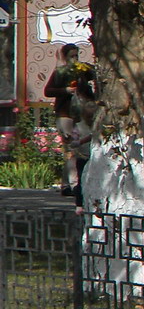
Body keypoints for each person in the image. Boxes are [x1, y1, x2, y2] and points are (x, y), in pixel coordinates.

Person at [43, 44, 95, 196]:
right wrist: (65, 91)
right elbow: (48, 91)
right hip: (65, 113)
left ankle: (67, 184)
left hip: (80, 114)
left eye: (76, 56)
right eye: (71, 56)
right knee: (70, 149)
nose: (75, 59)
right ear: (65, 57)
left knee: (81, 147)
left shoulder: (81, 71)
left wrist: (87, 69)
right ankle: (72, 185)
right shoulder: (60, 72)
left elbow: (94, 77)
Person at [68, 90, 96, 214]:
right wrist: (74, 142)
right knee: (81, 180)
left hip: (94, 157)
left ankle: (91, 201)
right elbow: (75, 140)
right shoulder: (79, 126)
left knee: (92, 179)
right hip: (83, 156)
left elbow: (93, 136)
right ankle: (79, 204)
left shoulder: (97, 126)